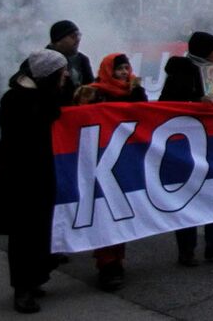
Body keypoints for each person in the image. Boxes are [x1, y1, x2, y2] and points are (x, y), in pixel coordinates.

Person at [0, 49, 68, 314]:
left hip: (40, 173)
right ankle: (22, 289)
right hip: (20, 176)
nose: (66, 76)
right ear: (48, 75)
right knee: (24, 234)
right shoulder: (16, 99)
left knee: (41, 229)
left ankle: (35, 277)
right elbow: (29, 131)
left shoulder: (41, 96)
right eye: (61, 72)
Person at [159, 31, 213, 267]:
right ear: (205, 51)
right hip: (189, 142)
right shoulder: (180, 72)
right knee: (188, 194)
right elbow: (166, 105)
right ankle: (187, 249)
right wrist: (195, 103)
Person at [73, 54, 148, 292]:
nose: (125, 73)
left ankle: (117, 260)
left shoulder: (134, 90)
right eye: (119, 70)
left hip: (124, 158)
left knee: (120, 211)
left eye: (127, 68)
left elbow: (146, 118)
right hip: (98, 160)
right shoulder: (91, 93)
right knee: (103, 212)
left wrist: (138, 97)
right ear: (108, 71)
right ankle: (106, 264)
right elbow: (78, 122)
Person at [46, 19, 94, 97]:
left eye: (78, 35)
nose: (78, 40)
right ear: (58, 41)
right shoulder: (43, 61)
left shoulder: (82, 60)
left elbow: (90, 86)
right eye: (73, 36)